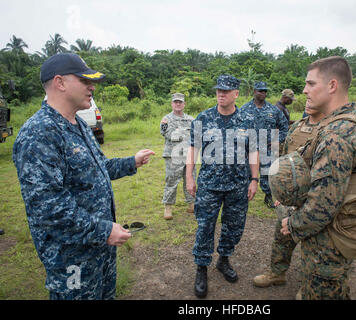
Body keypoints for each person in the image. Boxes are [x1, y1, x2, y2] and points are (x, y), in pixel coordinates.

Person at [12, 53, 154, 300]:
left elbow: (96, 169)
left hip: (100, 249)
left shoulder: (76, 124)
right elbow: (48, 209)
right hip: (72, 257)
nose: (92, 87)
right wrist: (103, 230)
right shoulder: (39, 134)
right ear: (60, 83)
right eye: (84, 80)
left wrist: (131, 162)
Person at [276, 56, 356, 300]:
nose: (304, 90)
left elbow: (322, 206)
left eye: (310, 84)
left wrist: (293, 223)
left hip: (328, 241)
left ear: (332, 86)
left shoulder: (335, 135)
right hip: (348, 229)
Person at [185, 74, 259, 298]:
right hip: (209, 185)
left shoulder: (248, 120)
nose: (221, 94)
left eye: (226, 91)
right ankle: (201, 267)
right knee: (205, 226)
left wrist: (254, 179)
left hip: (238, 185)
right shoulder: (203, 118)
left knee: (233, 226)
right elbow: (192, 149)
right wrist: (189, 177)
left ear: (236, 94)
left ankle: (223, 260)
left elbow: (254, 151)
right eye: (218, 90)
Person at [253, 102, 325, 299]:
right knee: (282, 237)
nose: (309, 102)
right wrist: (279, 194)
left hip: (314, 199)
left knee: (312, 245)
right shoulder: (297, 126)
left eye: (313, 98)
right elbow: (283, 158)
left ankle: (309, 285)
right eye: (307, 100)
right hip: (290, 199)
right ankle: (277, 273)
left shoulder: (329, 129)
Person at [240, 81, 288, 209]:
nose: (263, 93)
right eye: (261, 91)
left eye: (265, 91)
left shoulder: (274, 110)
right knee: (246, 174)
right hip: (249, 150)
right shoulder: (244, 109)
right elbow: (238, 129)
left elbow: (284, 127)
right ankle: (244, 196)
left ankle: (269, 196)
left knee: (269, 174)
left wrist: (277, 140)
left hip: (267, 148)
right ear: (254, 91)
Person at [160, 93, 195, 220]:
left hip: (189, 155)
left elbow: (196, 136)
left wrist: (182, 133)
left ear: (184, 104)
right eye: (175, 102)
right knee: (171, 181)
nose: (178, 104)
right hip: (173, 156)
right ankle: (168, 207)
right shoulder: (166, 119)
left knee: (190, 179)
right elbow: (170, 135)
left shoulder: (191, 119)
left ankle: (192, 204)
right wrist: (187, 134)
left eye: (180, 102)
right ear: (172, 104)